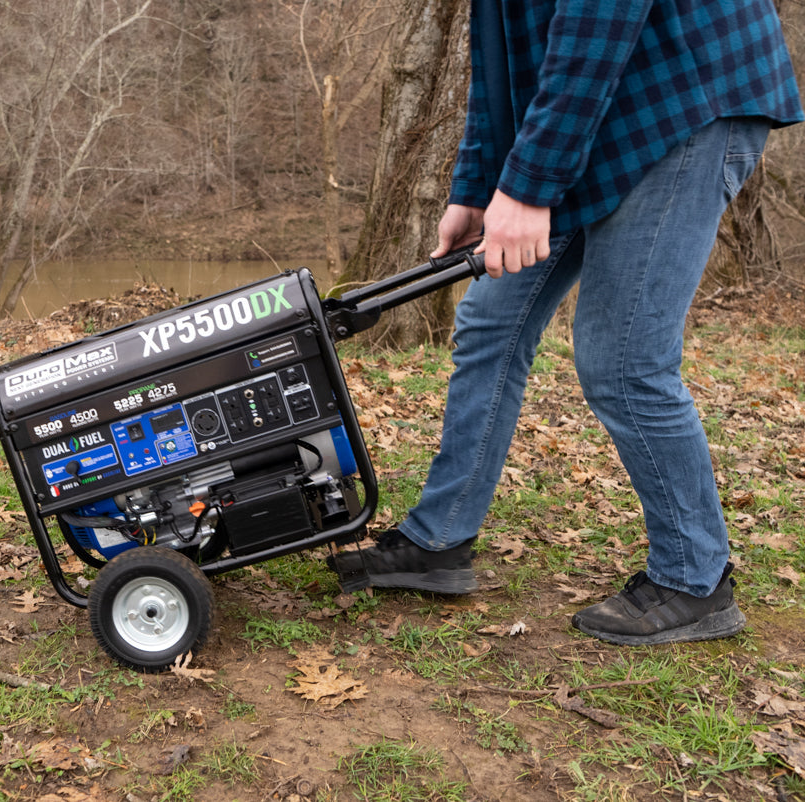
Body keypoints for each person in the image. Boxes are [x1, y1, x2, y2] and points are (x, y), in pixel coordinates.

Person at [329, 0, 803, 645]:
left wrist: (527, 189)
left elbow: (597, 26)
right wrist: (476, 188)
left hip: (684, 100)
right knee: (491, 323)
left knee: (625, 360)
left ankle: (695, 579)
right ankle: (438, 541)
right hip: (596, 115)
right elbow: (500, 65)